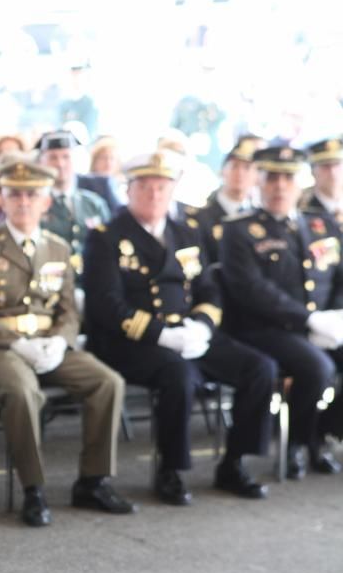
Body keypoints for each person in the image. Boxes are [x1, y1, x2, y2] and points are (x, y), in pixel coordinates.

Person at [84, 150, 277, 504]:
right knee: (179, 376)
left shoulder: (186, 231)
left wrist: (202, 325)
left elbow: (208, 289)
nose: (155, 194)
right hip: (133, 341)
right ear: (129, 190)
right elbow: (106, 306)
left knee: (260, 369)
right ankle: (170, 470)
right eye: (145, 187)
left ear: (172, 190)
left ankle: (234, 462)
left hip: (190, 334)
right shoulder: (107, 237)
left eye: (162, 187)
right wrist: (162, 335)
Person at [0, 160, 132, 526]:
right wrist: (19, 343)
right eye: (14, 194)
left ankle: (93, 480)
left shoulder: (57, 248)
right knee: (23, 392)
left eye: (32, 194)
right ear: (0, 200)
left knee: (107, 383)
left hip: (48, 344)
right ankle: (33, 489)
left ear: (46, 202)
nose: (23, 201)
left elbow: (69, 312)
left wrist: (59, 341)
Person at [221, 145, 343, 478]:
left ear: (299, 183)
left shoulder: (321, 225)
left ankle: (323, 430)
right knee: (317, 369)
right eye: (271, 177)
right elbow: (251, 290)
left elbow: (338, 276)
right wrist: (309, 319)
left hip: (322, 325)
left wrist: (335, 316)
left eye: (287, 178)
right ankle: (296, 445)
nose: (279, 186)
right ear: (258, 181)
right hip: (265, 330)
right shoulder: (238, 230)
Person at [36, 130, 111, 279]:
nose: (60, 164)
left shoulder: (93, 203)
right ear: (41, 162)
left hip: (91, 281)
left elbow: (109, 247)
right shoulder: (35, 205)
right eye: (53, 158)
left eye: (66, 157)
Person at [183, 135, 264, 263]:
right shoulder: (199, 217)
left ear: (257, 177)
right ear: (222, 171)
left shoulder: (261, 218)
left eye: (247, 168)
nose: (240, 173)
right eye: (234, 166)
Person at [299, 137, 343, 220]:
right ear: (313, 171)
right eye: (326, 166)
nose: (332, 172)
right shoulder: (302, 207)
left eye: (337, 164)